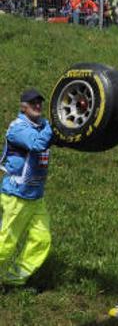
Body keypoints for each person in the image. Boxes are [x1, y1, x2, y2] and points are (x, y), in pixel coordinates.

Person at [0, 89, 54, 287]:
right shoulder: (18, 128)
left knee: (41, 240)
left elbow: (62, 138)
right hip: (16, 196)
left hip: (35, 198)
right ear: (23, 106)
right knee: (4, 245)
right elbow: (37, 144)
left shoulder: (43, 126)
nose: (37, 105)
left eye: (39, 102)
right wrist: (55, 124)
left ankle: (13, 279)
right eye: (33, 103)